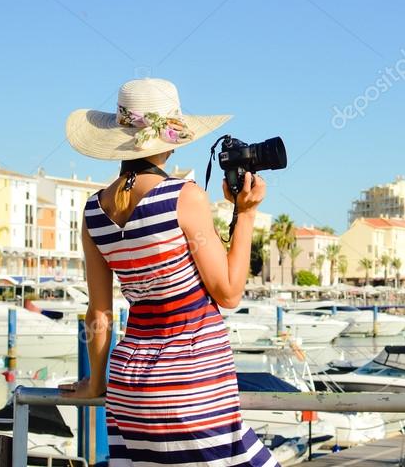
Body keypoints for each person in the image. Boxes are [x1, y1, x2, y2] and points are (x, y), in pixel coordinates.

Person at [60, 78, 279, 466]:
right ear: (172, 138)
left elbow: (99, 314)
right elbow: (228, 293)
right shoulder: (184, 196)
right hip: (191, 386)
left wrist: (96, 383)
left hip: (130, 390)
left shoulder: (94, 211)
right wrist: (245, 213)